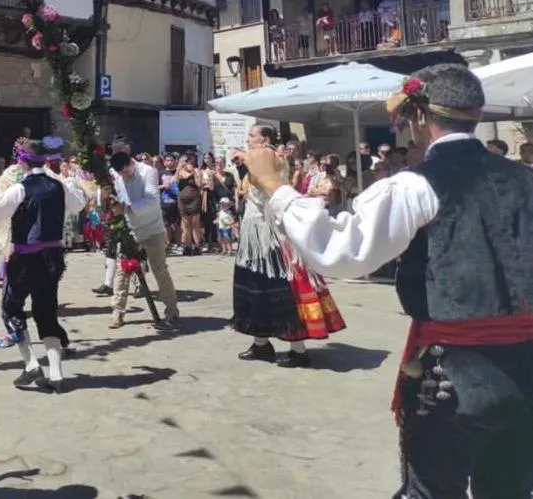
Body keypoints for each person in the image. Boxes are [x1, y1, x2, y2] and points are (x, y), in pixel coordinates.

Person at [246, 64, 533, 497]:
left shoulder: (415, 186)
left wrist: (274, 184)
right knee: (509, 490)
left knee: (434, 490)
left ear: (419, 116)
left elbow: (342, 251)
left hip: (453, 373)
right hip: (526, 367)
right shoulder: (525, 178)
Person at [0, 139, 86, 393]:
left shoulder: (20, 189)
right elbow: (78, 203)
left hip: (25, 261)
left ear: (22, 162)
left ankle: (31, 363)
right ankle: (56, 374)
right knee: (47, 311)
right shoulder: (58, 186)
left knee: (10, 308)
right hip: (53, 259)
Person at [232, 125, 345, 368]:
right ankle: (261, 343)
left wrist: (245, 163)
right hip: (257, 232)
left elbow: (262, 192)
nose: (248, 139)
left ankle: (297, 349)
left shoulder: (267, 157)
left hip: (269, 232)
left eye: (252, 136)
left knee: (280, 288)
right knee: (258, 287)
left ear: (265, 140)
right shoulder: (268, 157)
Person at [108, 151, 179, 329]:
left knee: (159, 269)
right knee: (122, 270)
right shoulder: (118, 177)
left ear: (131, 163)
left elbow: (152, 199)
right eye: (121, 173)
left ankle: (171, 309)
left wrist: (128, 208)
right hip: (131, 230)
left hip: (152, 228)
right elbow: (119, 198)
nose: (124, 176)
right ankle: (117, 311)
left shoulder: (149, 172)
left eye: (126, 172)